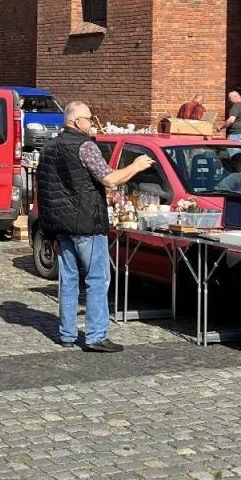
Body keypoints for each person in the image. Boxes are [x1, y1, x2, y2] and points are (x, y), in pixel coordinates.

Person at [34, 102, 152, 353]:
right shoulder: (85, 145)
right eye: (89, 118)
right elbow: (108, 178)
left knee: (68, 279)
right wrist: (136, 166)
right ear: (76, 122)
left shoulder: (49, 146)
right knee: (97, 279)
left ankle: (66, 334)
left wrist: (48, 226)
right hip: (86, 223)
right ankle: (96, 335)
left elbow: (44, 188)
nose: (92, 122)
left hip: (61, 223)